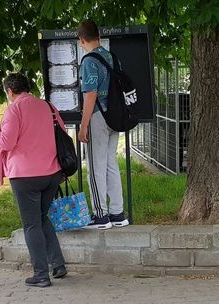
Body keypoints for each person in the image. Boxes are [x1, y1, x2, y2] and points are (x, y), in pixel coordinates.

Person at [0, 73, 67, 287]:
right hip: (52, 173)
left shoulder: (15, 109)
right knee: (41, 218)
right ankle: (58, 264)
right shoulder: (47, 106)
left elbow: (6, 142)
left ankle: (41, 275)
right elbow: (63, 131)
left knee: (31, 225)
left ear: (10, 91)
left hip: (25, 176)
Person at [77, 19, 129, 229]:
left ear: (82, 39)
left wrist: (83, 125)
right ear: (98, 36)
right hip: (114, 116)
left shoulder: (89, 61)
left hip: (97, 116)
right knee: (110, 164)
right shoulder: (112, 57)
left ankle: (100, 215)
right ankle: (118, 213)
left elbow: (91, 95)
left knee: (95, 167)